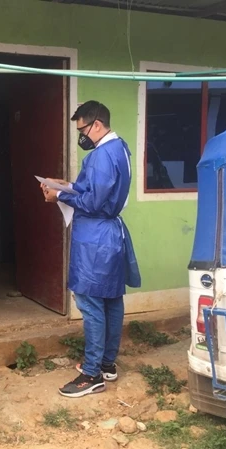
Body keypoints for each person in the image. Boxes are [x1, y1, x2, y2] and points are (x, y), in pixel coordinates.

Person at [41, 101, 141, 398]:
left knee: (90, 301)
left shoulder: (101, 155)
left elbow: (93, 202)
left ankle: (92, 374)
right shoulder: (120, 148)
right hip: (111, 234)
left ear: (96, 124)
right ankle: (107, 363)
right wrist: (68, 184)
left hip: (95, 237)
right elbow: (99, 189)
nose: (81, 136)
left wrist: (58, 195)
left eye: (82, 129)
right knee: (111, 299)